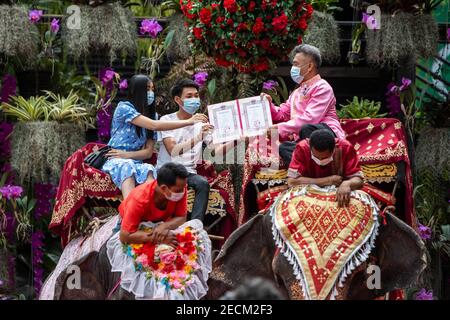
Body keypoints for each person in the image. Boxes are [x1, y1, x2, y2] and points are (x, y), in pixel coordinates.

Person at [101, 74, 208, 200]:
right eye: (147, 89)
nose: (151, 93)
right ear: (137, 90)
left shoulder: (153, 115)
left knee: (149, 169)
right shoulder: (124, 107)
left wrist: (126, 155)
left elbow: (147, 153)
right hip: (116, 158)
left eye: (153, 89)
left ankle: (151, 214)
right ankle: (129, 212)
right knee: (127, 166)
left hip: (134, 160)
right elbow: (154, 126)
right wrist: (189, 121)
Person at [261, 44, 345, 165]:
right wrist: (268, 104)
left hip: (326, 135)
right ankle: (310, 169)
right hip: (304, 139)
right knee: (284, 147)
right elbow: (282, 114)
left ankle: (309, 164)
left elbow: (310, 119)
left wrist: (278, 128)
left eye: (295, 64)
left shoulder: (322, 87)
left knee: (308, 128)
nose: (292, 68)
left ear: (310, 66)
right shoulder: (297, 92)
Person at [156, 79, 216, 222]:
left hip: (189, 173)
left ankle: (196, 226)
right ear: (178, 99)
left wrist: (236, 138)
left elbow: (217, 151)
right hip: (167, 171)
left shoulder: (202, 122)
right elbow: (173, 150)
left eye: (196, 96)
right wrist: (198, 137)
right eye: (189, 96)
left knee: (202, 183)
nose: (194, 100)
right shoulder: (167, 120)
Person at [116, 162, 189, 245]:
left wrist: (164, 226)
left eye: (184, 188)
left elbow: (181, 217)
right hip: (134, 227)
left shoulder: (179, 189)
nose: (183, 191)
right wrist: (159, 238)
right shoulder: (139, 198)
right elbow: (125, 236)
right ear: (164, 188)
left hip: (160, 225)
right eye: (179, 190)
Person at [287, 129, 364, 207]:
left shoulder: (346, 147)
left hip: (339, 189)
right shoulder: (302, 148)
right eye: (316, 156)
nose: (320, 160)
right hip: (308, 191)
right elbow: (291, 181)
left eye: (325, 157)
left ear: (334, 149)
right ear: (310, 146)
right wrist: (328, 180)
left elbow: (358, 180)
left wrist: (347, 184)